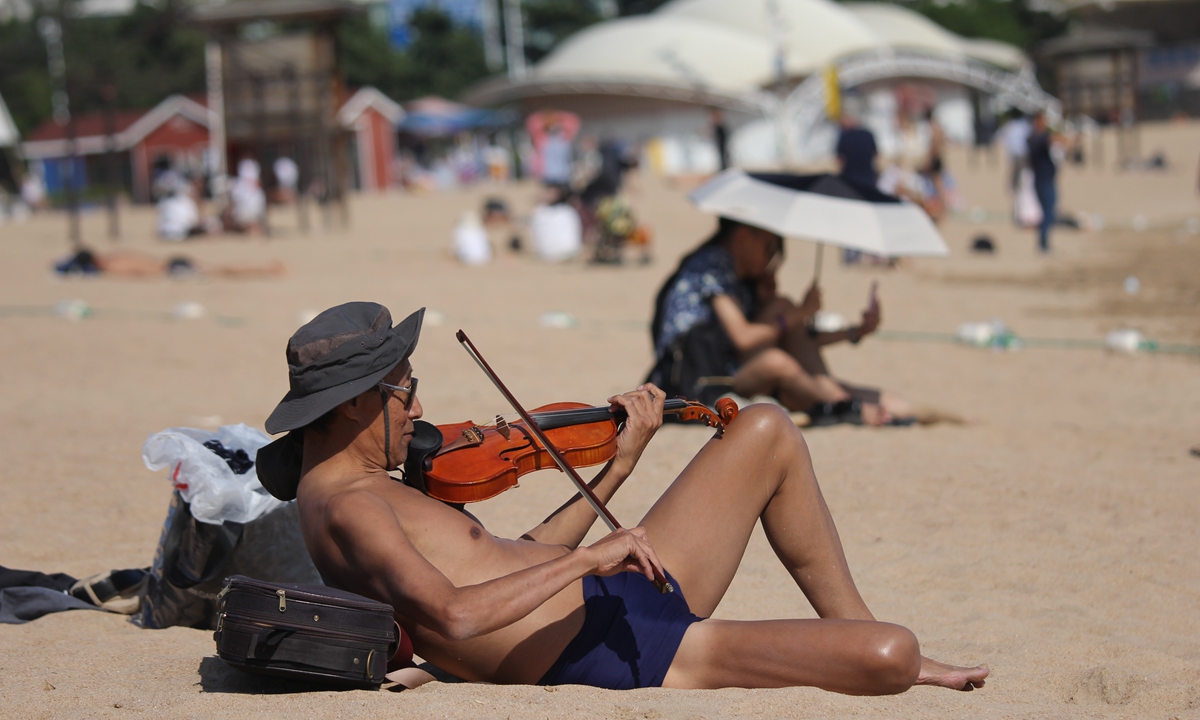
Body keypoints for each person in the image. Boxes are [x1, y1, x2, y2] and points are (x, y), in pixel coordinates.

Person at [256, 301, 988, 693]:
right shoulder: (350, 507)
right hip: (619, 655)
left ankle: (847, 624)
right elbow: (454, 613)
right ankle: (875, 648)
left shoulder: (365, 486)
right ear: (356, 405)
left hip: (621, 596)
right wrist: (594, 560)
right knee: (893, 654)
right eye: (405, 392)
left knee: (763, 427)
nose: (417, 410)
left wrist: (619, 468)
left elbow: (514, 563)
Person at [647, 218, 912, 426]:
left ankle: (842, 395)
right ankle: (844, 403)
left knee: (781, 309)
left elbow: (790, 333)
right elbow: (744, 336)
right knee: (777, 360)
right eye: (769, 247)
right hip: (697, 381)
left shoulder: (740, 276)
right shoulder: (712, 266)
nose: (772, 258)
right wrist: (800, 311)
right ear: (741, 238)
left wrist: (855, 331)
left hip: (730, 368)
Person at [53, 247, 284, 279]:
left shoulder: (110, 265)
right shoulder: (113, 255)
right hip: (170, 260)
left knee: (221, 271)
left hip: (172, 268)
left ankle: (267, 270)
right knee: (221, 268)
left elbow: (140, 271)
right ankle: (267, 268)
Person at [1027, 112, 1058, 253]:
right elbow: (1054, 140)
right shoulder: (1038, 138)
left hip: (1041, 180)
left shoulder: (1032, 138)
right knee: (1048, 212)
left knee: (1047, 212)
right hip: (1043, 181)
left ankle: (1044, 243)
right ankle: (1043, 244)